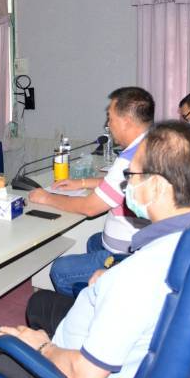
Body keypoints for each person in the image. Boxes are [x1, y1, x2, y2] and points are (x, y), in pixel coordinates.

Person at [0, 120, 190, 378]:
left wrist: (42, 347)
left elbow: (83, 376)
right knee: (39, 303)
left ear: (158, 187)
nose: (126, 184)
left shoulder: (137, 278)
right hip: (106, 336)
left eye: (132, 175)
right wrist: (111, 276)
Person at [28, 87, 154, 296]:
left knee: (60, 270)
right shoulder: (153, 143)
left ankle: (88, 307)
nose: (107, 125)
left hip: (130, 254)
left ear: (126, 122)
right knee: (93, 241)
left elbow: (89, 208)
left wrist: (47, 197)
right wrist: (83, 183)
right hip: (144, 243)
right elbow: (123, 183)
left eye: (110, 118)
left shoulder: (129, 159)